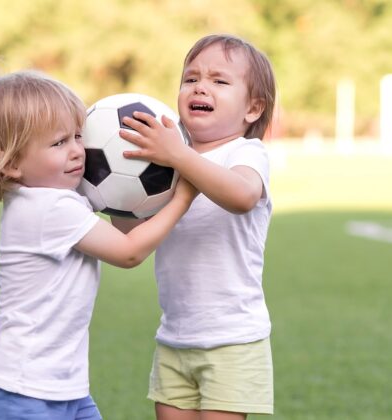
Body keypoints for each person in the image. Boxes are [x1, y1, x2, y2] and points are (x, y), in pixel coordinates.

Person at [0, 70, 196, 420]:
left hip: (62, 387)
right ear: (10, 162)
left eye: (77, 136)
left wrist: (133, 192)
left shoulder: (54, 196)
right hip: (22, 390)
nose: (77, 151)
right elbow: (128, 251)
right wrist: (183, 197)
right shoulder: (48, 208)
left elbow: (123, 226)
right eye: (59, 143)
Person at [119, 34, 277, 419]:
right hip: (175, 337)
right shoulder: (164, 164)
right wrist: (110, 188)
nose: (200, 87)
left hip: (232, 340)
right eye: (190, 79)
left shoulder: (245, 153)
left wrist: (178, 154)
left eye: (219, 81)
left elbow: (241, 196)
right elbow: (127, 231)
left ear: (253, 108)